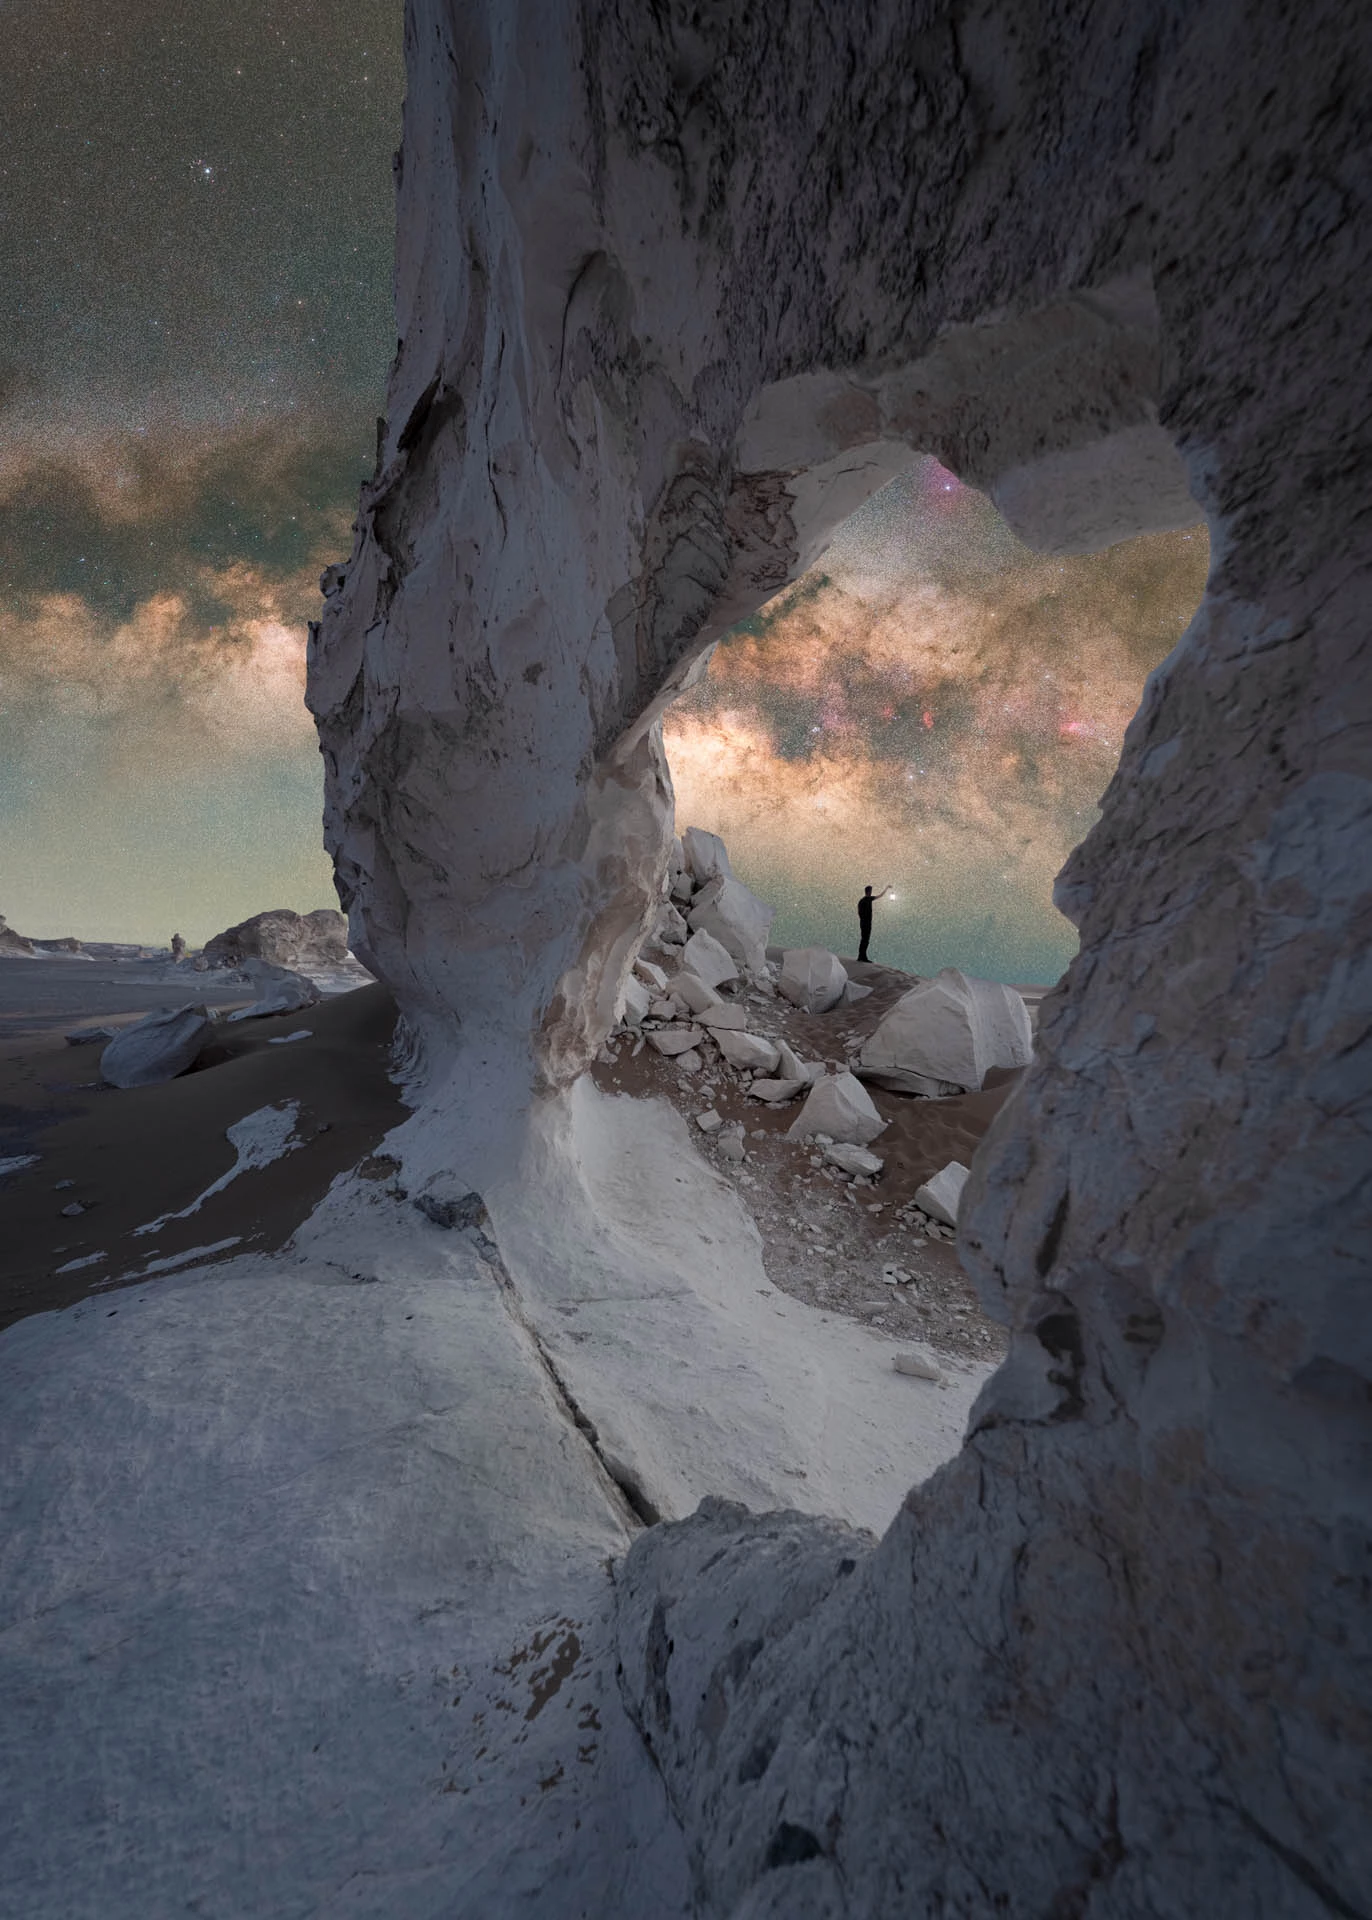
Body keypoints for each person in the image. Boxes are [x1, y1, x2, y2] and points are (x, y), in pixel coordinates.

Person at [856, 884, 890, 963]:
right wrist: (864, 920)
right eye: (870, 891)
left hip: (865, 922)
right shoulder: (865, 900)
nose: (871, 892)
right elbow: (880, 896)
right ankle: (862, 957)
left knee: (865, 939)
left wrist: (886, 888)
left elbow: (880, 896)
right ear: (868, 891)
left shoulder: (865, 900)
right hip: (866, 923)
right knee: (865, 939)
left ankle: (862, 956)